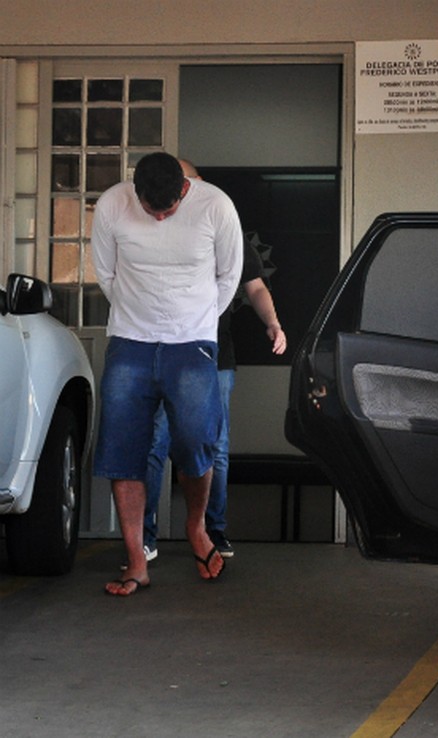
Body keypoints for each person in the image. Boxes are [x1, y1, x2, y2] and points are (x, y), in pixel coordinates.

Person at [91, 151, 243, 596]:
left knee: (197, 441)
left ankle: (196, 527)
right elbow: (106, 274)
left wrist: (193, 324)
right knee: (124, 447)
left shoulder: (215, 206)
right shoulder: (111, 205)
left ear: (184, 189)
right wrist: (142, 318)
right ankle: (137, 561)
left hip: (192, 343)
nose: (159, 217)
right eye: (149, 209)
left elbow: (229, 276)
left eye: (168, 209)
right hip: (130, 342)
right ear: (133, 191)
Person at [141, 160, 287, 561]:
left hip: (213, 354)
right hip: (157, 350)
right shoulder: (151, 224)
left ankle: (213, 531)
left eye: (190, 183)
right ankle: (145, 537)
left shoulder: (222, 223)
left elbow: (254, 284)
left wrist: (273, 323)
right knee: (154, 443)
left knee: (214, 446)